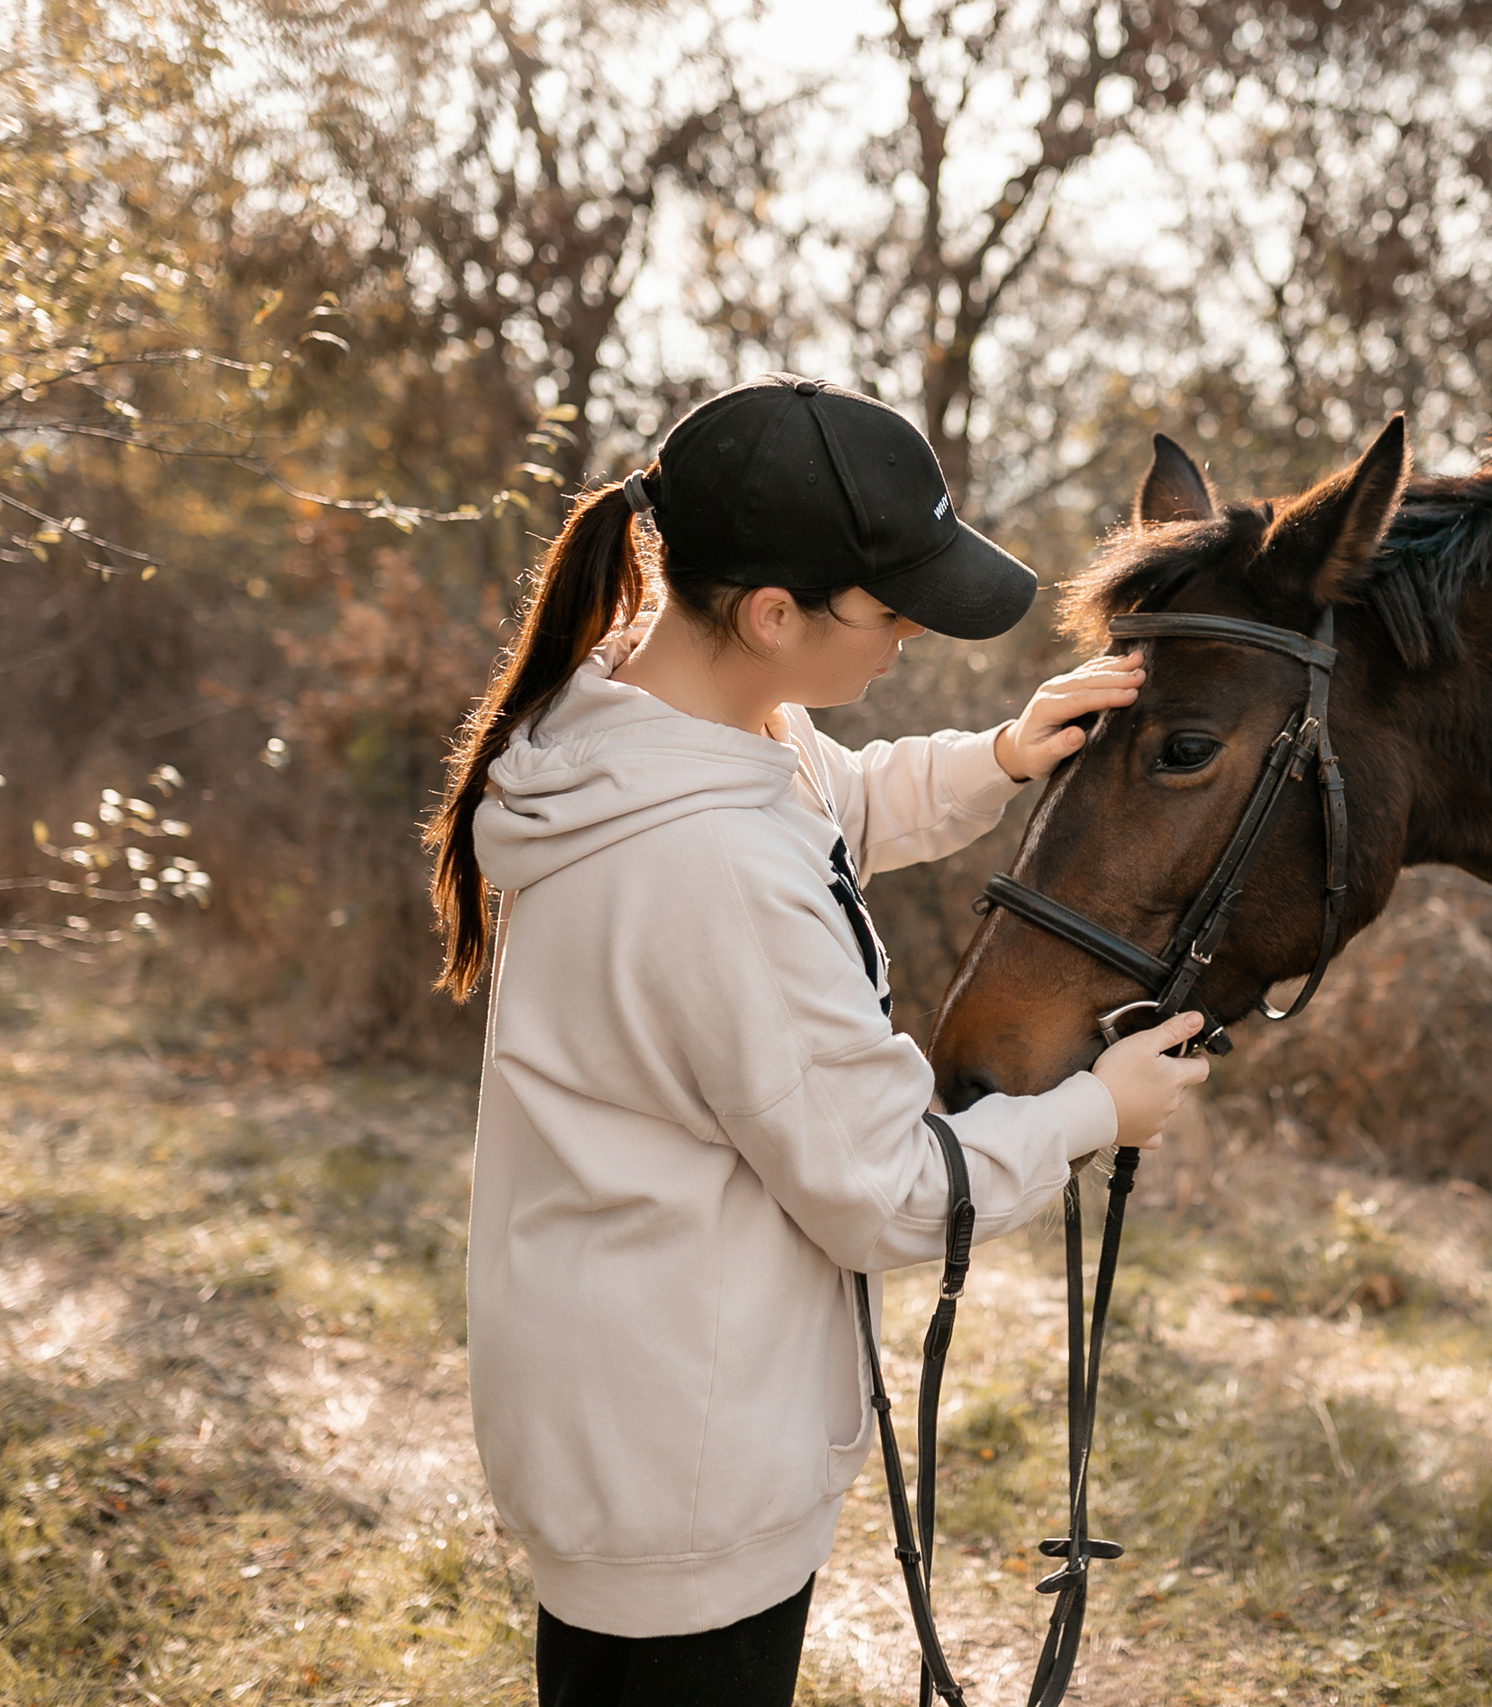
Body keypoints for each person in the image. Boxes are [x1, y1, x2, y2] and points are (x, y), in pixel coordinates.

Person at [424, 374, 1209, 1706]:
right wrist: (1097, 1113)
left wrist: (1008, 754)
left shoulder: (645, 722)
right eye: (892, 606)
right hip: (683, 1465)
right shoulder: (709, 866)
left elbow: (835, 798)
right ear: (776, 612)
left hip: (623, 1406)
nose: (912, 634)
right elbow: (885, 1192)